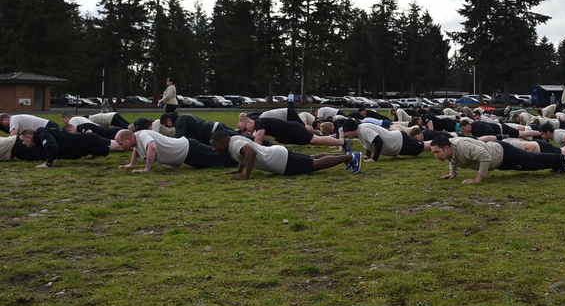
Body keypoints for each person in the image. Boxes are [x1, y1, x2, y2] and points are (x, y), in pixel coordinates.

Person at [209, 130, 361, 179]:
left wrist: (246, 176)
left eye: (214, 146)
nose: (213, 149)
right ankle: (350, 157)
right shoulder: (234, 141)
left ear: (223, 142)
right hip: (278, 154)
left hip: (280, 161)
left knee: (313, 165)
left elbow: (250, 152)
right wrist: (239, 170)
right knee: (311, 158)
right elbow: (243, 156)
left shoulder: (234, 144)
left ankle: (351, 157)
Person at [429, 134, 565, 184]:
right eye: (434, 153)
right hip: (499, 160)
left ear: (446, 148)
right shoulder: (450, 150)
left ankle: (561, 159)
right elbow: (452, 159)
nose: (435, 156)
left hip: (503, 153)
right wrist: (453, 174)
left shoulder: (463, 146)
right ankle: (556, 162)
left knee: (531, 162)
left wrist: (478, 179)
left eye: (437, 152)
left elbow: (485, 157)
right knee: (531, 163)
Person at [115, 129, 237, 171]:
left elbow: (151, 147)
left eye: (122, 143)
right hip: (186, 155)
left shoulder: (142, 135)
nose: (121, 147)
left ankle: (241, 156)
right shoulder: (137, 140)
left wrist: (147, 169)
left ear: (129, 137)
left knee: (220, 159)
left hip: (190, 149)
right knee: (215, 161)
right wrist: (131, 164)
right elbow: (136, 149)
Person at [18, 126, 126, 168]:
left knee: (121, 147)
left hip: (87, 141)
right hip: (84, 143)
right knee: (119, 148)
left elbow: (52, 147)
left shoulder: (43, 135)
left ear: (29, 137)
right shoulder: (41, 135)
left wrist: (48, 164)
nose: (23, 144)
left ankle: (137, 145)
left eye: (22, 141)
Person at [341, 119, 428, 161]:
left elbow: (378, 141)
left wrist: (374, 159)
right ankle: (436, 146)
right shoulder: (360, 132)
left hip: (400, 141)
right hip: (397, 146)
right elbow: (369, 144)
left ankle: (437, 145)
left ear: (352, 129)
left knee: (422, 147)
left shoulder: (364, 130)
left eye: (346, 132)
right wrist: (368, 155)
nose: (345, 135)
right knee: (420, 148)